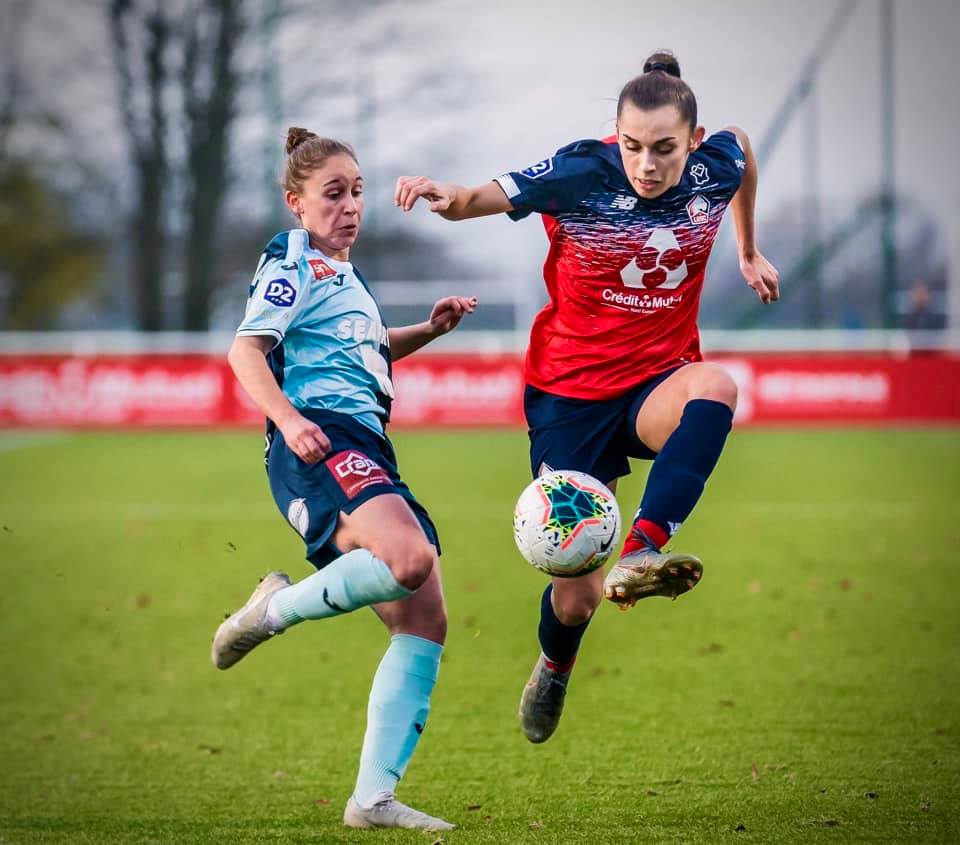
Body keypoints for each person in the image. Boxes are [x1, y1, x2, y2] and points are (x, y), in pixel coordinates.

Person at [396, 52, 779, 744]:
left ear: (694, 142)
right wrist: (444, 194)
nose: (646, 164)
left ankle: (642, 551)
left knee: (717, 386)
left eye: (664, 148)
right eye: (632, 146)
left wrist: (748, 249)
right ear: (616, 136)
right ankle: (554, 667)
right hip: (568, 397)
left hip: (655, 380)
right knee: (575, 598)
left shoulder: (713, 167)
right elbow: (474, 200)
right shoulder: (582, 171)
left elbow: (743, 148)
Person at [212, 127, 477, 831]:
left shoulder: (345, 276)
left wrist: (428, 330)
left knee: (424, 617)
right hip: (320, 439)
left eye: (357, 191)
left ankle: (372, 800)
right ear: (296, 202)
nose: (350, 205)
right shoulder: (293, 257)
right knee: (410, 558)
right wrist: (288, 418)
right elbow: (246, 350)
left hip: (365, 445)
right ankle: (273, 610)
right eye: (333, 193)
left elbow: (365, 350)